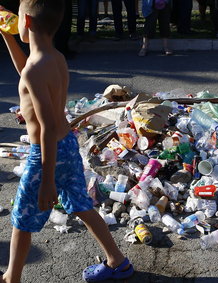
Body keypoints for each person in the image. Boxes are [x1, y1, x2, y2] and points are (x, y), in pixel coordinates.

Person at [0, 1, 134, 282]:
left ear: (27, 23)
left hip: (46, 153)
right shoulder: (54, 58)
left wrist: (47, 179)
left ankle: (11, 278)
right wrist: (7, 37)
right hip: (67, 144)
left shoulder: (37, 69)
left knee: (22, 218)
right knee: (80, 204)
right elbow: (25, 72)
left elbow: (46, 127)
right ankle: (117, 261)